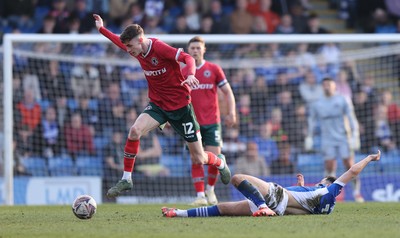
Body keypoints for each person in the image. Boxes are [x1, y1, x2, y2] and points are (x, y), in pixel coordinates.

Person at [92, 14, 231, 198]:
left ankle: (220, 162)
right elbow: (118, 41)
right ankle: (126, 178)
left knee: (199, 158)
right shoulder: (135, 49)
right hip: (158, 105)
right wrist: (102, 29)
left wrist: (190, 74)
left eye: (130, 46)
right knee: (134, 131)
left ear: (140, 40)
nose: (128, 50)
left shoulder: (159, 47)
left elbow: (187, 58)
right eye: (127, 47)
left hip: (181, 108)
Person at [162, 150, 381, 218]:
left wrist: (370, 158)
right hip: (281, 209)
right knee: (223, 209)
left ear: (327, 182)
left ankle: (261, 206)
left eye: (322, 181)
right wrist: (302, 186)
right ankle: (178, 213)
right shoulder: (325, 207)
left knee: (238, 178)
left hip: (277, 198)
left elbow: (352, 171)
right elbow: (303, 204)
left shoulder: (329, 188)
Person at [181, 36, 237, 206]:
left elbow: (227, 92)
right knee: (196, 158)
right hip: (191, 122)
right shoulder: (183, 72)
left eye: (198, 48)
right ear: (188, 51)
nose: (195, 51)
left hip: (212, 121)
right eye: (192, 48)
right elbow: (175, 96)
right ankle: (200, 196)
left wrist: (232, 112)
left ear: (204, 50)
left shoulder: (213, 69)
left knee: (214, 156)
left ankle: (210, 190)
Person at [305, 77, 363, 202]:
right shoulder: (317, 103)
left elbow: (351, 117)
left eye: (329, 85)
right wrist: (309, 136)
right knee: (330, 165)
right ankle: (327, 193)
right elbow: (312, 120)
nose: (326, 87)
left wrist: (355, 135)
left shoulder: (343, 99)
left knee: (349, 165)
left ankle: (357, 193)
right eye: (324, 85)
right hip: (327, 139)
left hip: (343, 137)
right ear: (322, 87)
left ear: (334, 86)